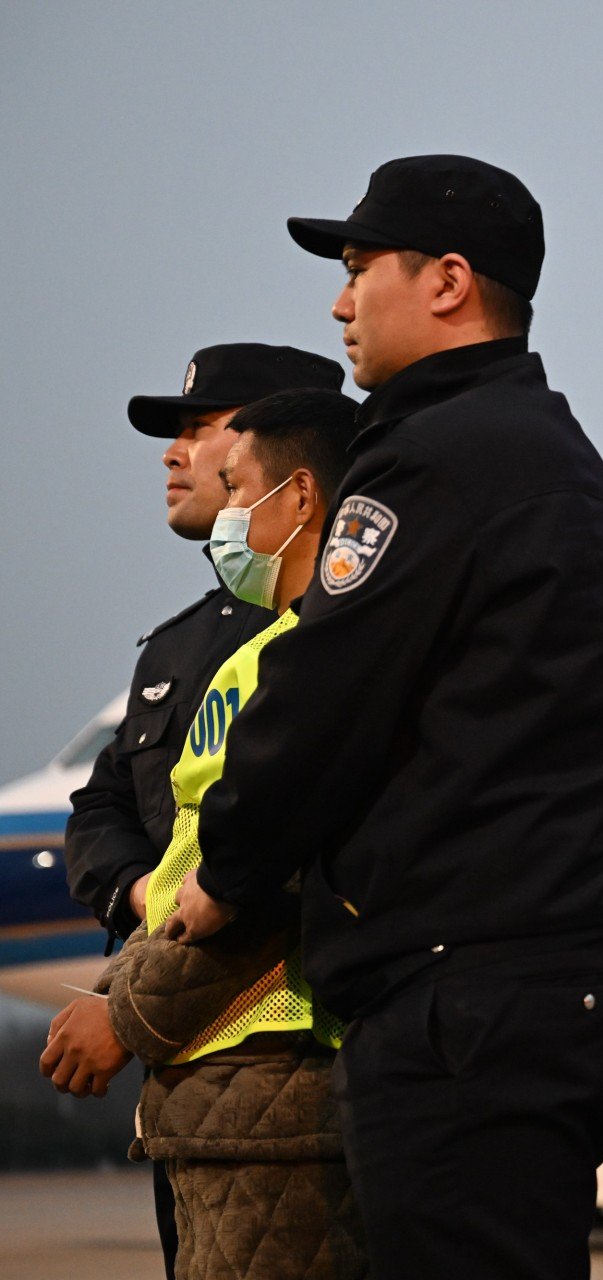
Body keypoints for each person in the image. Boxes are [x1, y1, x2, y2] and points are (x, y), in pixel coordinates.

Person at [163, 155, 603, 1280]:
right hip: (543, 993)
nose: (339, 301)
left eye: (355, 268)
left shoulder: (428, 457)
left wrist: (225, 868)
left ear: (445, 281)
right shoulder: (558, 462)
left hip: (456, 1006)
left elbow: (325, 693)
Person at [44, 388, 365, 1280]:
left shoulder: (319, 663)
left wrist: (123, 1008)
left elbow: (264, 876)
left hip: (277, 1070)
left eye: (236, 485)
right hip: (210, 1085)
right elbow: (188, 859)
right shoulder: (233, 658)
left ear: (300, 497)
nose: (223, 513)